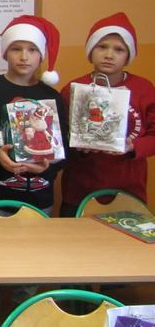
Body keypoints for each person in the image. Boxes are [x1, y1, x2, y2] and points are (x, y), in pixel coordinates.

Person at [0, 15, 67, 307]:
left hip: (38, 200)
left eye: (32, 49)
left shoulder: (52, 97)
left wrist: (48, 164)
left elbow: (63, 151)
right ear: (4, 52)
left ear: (41, 55)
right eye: (16, 48)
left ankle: (24, 315)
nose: (24, 56)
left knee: (31, 267)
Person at [60, 12, 155, 216]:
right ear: (90, 50)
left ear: (128, 55)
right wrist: (79, 146)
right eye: (102, 47)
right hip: (79, 191)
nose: (109, 55)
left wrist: (133, 146)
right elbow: (59, 138)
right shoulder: (73, 89)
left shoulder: (143, 89)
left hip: (128, 190)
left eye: (119, 49)